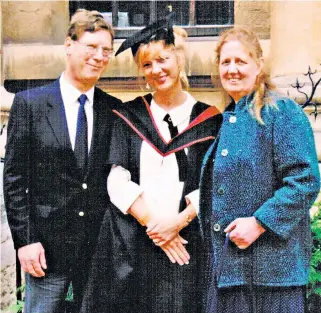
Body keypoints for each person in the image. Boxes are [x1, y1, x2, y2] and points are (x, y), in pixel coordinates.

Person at [80, 15, 222, 313]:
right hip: (134, 244)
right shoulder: (129, 115)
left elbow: (214, 183)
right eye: (147, 65)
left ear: (178, 59)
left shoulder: (210, 120)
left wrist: (177, 223)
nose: (156, 70)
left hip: (186, 244)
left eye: (162, 59)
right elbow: (116, 180)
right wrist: (158, 228)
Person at [3, 9, 122, 313]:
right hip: (45, 253)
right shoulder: (30, 104)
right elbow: (15, 179)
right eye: (91, 47)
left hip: (97, 253)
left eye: (106, 50)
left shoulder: (113, 109)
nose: (99, 56)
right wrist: (25, 241)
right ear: (69, 45)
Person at [199, 26, 320, 313]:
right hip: (230, 274)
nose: (232, 69)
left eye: (241, 61)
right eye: (226, 62)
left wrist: (260, 222)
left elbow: (305, 180)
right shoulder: (229, 117)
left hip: (272, 279)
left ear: (258, 65)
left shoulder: (281, 112)